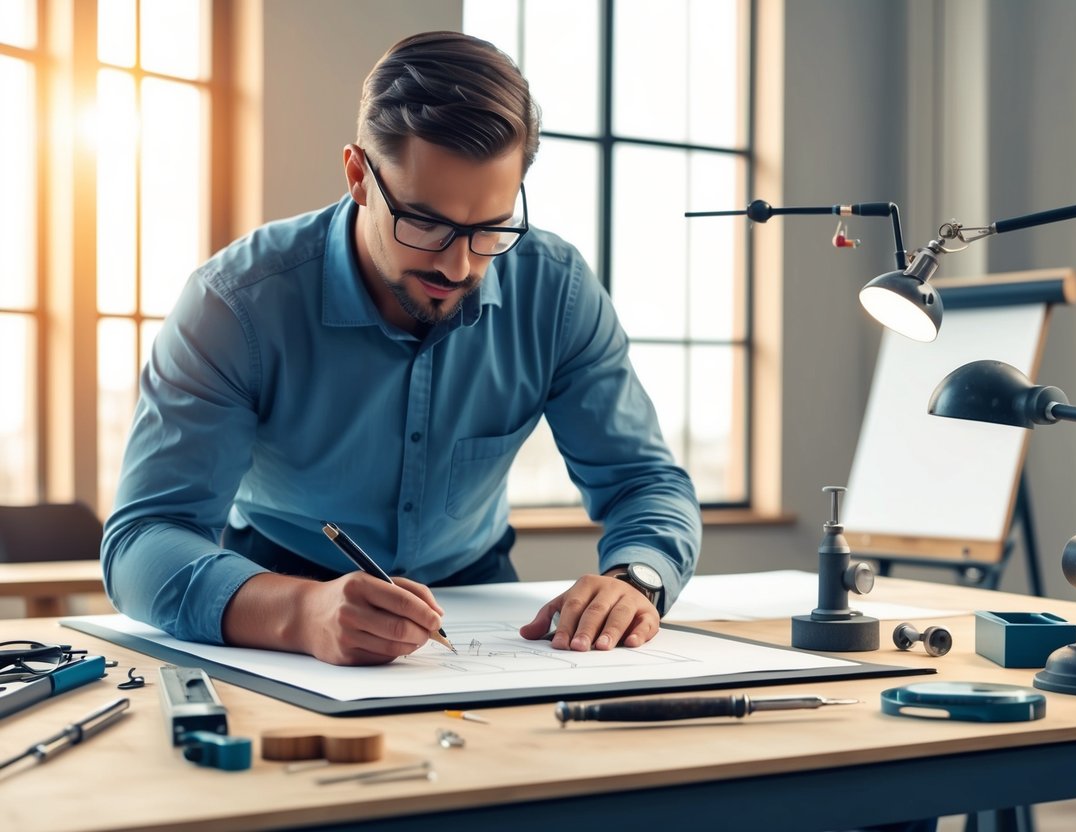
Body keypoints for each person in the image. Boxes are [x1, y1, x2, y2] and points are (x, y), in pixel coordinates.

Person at [100, 31, 701, 666]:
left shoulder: (557, 290)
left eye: (491, 228)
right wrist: (302, 613)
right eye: (426, 222)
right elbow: (143, 539)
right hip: (279, 591)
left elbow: (643, 480)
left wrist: (639, 580)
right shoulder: (236, 304)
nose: (460, 263)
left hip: (476, 594)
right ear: (359, 175)